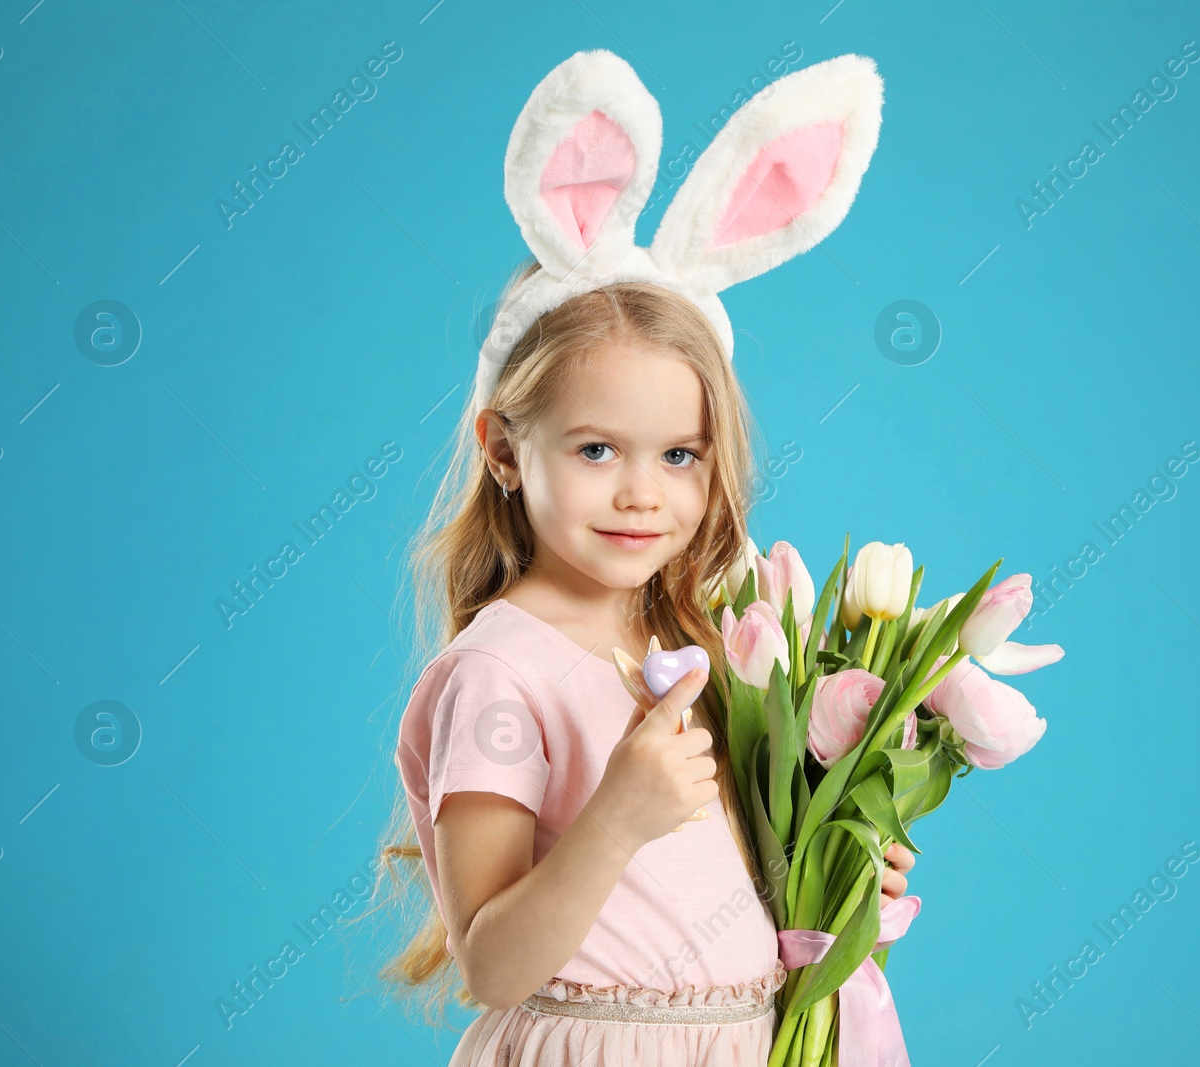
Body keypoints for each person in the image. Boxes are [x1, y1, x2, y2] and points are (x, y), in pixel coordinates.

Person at [373, 48, 911, 1065]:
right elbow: (492, 964)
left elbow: (724, 886)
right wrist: (615, 815)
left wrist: (830, 869)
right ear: (501, 450)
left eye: (678, 454)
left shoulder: (704, 635)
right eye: (594, 449)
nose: (639, 491)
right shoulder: (498, 672)